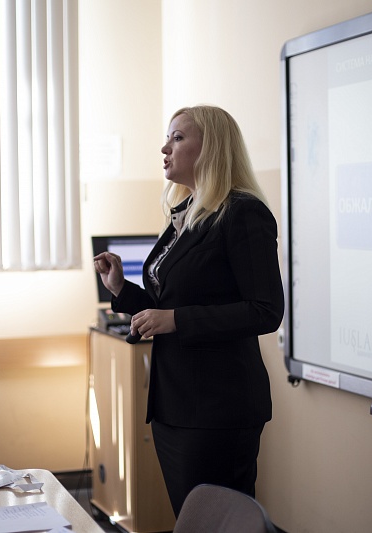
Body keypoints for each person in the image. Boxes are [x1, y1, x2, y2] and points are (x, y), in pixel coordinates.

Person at [93, 105, 284, 518]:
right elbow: (167, 308)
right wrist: (121, 289)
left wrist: (177, 320)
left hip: (218, 409)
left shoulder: (242, 212)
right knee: (191, 521)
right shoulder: (188, 212)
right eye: (168, 138)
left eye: (177, 138)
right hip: (175, 406)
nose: (165, 148)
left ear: (211, 148)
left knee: (215, 523)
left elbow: (265, 310)